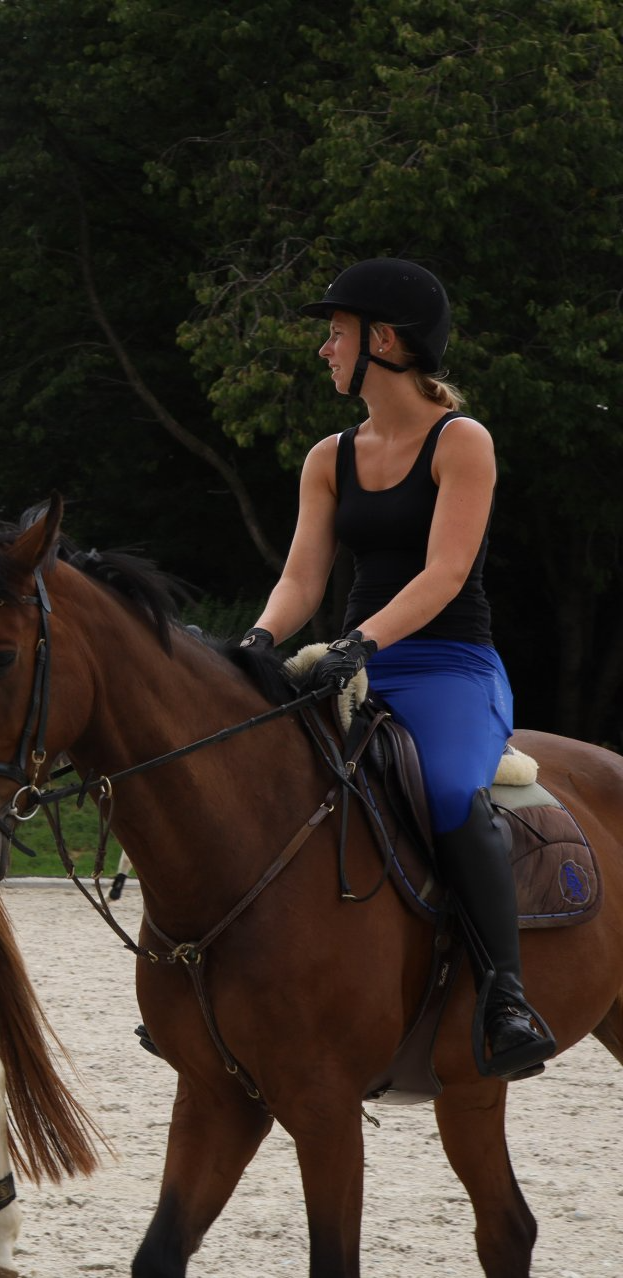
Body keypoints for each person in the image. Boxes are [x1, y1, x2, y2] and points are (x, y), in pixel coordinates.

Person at [242, 257, 554, 1080]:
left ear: (383, 341)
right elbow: (302, 581)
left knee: (449, 793)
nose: (324, 350)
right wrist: (260, 641)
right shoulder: (329, 456)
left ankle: (506, 996)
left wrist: (360, 642)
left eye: (335, 333)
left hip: (450, 666)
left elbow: (445, 573)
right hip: (355, 662)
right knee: (254, 778)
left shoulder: (462, 441)